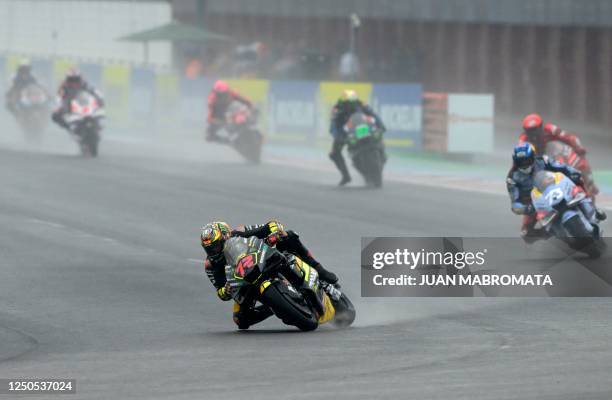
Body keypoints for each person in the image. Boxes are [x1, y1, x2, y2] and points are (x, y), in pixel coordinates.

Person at [200, 220, 338, 329]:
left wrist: (275, 232)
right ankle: (274, 306)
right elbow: (220, 292)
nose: (213, 251)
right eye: (209, 249)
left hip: (263, 259)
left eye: (215, 246)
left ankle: (319, 269)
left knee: (288, 236)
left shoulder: (240, 232)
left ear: (225, 236)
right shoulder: (211, 266)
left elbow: (270, 225)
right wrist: (226, 290)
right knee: (240, 320)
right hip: (244, 282)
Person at [506, 143, 605, 243]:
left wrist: (573, 173)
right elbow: (515, 204)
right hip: (535, 204)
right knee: (526, 234)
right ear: (515, 162)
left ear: (533, 157)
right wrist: (525, 208)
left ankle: (593, 210)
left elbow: (563, 167)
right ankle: (553, 235)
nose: (524, 164)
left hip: (554, 190)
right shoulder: (512, 178)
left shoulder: (543, 161)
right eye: (520, 162)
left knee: (578, 180)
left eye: (526, 160)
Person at [518, 113, 598, 196]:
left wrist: (579, 148)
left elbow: (570, 137)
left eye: (535, 130)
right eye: (530, 131)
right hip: (539, 159)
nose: (533, 134)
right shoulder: (523, 140)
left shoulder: (550, 129)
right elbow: (519, 157)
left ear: (541, 127)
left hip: (556, 154)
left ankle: (589, 184)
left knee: (581, 161)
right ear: (525, 131)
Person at [329, 89, 385, 186]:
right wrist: (339, 137)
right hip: (345, 132)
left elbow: (373, 115)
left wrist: (381, 126)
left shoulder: (361, 104)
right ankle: (346, 176)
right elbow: (333, 126)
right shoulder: (337, 109)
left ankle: (382, 156)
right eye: (348, 103)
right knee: (334, 153)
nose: (351, 105)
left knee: (378, 137)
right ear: (343, 103)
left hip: (363, 128)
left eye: (353, 102)